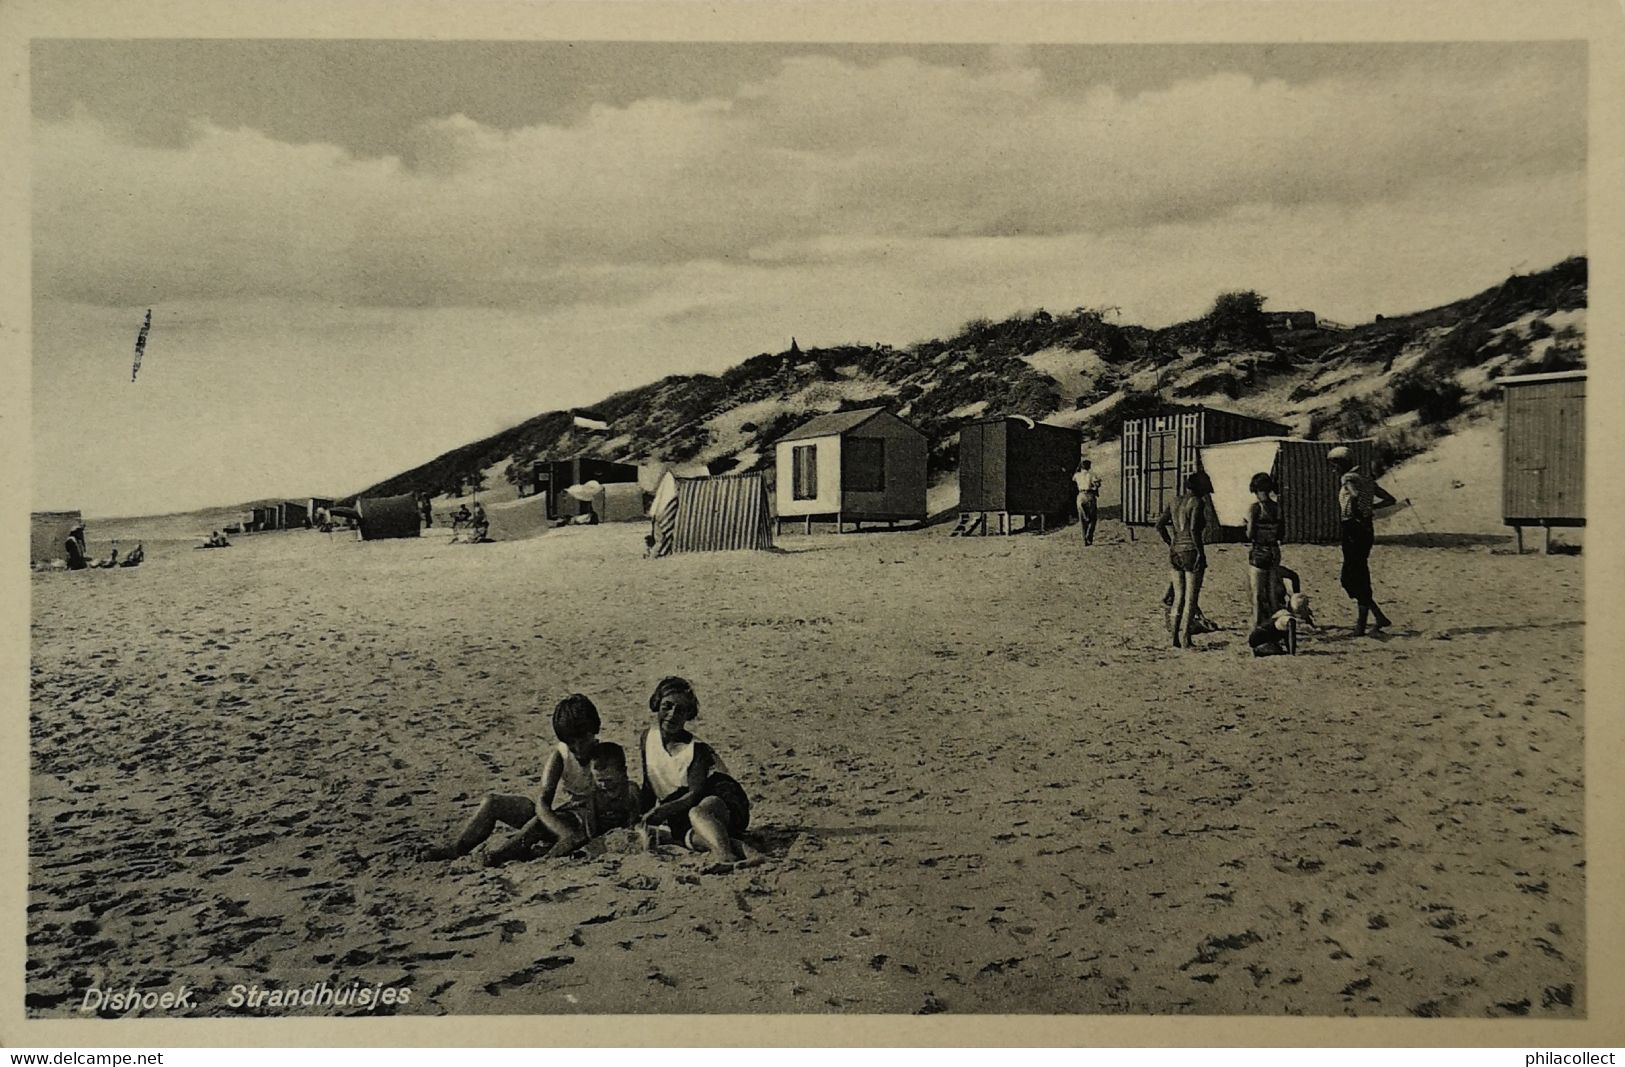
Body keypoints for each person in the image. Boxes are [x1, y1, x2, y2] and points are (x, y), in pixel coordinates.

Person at [416, 693, 605, 865]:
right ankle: (458, 848)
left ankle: (499, 856)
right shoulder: (560, 756)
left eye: (583, 740)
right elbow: (543, 802)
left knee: (537, 824)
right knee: (494, 803)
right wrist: (563, 831)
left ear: (594, 731)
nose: (579, 748)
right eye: (572, 743)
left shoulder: (606, 755)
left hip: (586, 822)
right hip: (564, 822)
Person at [638, 677, 757, 867]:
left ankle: (724, 856)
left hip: (720, 798)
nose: (672, 714)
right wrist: (643, 816)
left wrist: (662, 810)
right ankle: (745, 852)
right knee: (690, 837)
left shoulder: (696, 750)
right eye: (667, 706)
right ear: (657, 704)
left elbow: (695, 794)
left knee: (698, 813)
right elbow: (649, 783)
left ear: (688, 715)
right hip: (679, 804)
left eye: (681, 710)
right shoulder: (647, 738)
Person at [1328, 446, 1396, 636]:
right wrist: (1370, 510)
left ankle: (1361, 624)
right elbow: (1390, 499)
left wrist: (1358, 511)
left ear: (1341, 464)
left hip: (1353, 528)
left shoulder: (1347, 478)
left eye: (1334, 466)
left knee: (1352, 576)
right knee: (1357, 572)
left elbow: (1355, 495)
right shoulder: (1367, 478)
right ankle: (1378, 616)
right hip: (1366, 529)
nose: (1334, 470)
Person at [538, 742, 644, 858]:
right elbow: (590, 823)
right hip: (597, 832)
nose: (604, 785)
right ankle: (548, 856)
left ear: (623, 772)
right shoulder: (595, 794)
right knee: (575, 842)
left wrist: (629, 829)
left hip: (623, 831)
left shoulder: (631, 790)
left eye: (608, 780)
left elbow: (635, 814)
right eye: (599, 780)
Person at [1155, 471, 1216, 649]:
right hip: (1191, 551)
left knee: (1178, 596)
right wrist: (1201, 554)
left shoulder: (1174, 501)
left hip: (1175, 551)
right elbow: (1194, 531)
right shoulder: (1197, 502)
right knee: (1191, 598)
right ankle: (1186, 638)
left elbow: (1159, 525)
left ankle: (1174, 637)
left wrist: (1170, 542)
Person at [1244, 472, 1286, 631]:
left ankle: (1256, 631)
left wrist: (1246, 526)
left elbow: (1250, 534)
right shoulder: (1277, 507)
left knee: (1257, 597)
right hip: (1274, 550)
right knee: (1273, 596)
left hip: (1259, 550)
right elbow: (1282, 533)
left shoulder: (1255, 508)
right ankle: (1276, 630)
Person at [1073, 458, 1103, 546]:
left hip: (1080, 496)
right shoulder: (1092, 474)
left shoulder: (1077, 475)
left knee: (1082, 519)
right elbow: (1097, 484)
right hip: (1089, 495)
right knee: (1092, 518)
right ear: (1089, 466)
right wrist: (1096, 487)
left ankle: (1084, 539)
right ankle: (1089, 536)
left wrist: (1078, 469)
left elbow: (1073, 478)